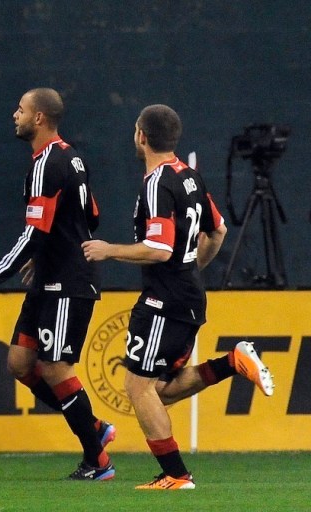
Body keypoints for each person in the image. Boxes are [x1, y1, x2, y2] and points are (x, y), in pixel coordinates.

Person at [82, 104, 275, 490]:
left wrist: (109, 250)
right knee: (160, 392)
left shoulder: (157, 183)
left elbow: (159, 248)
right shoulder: (190, 178)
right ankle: (232, 362)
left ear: (141, 135)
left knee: (138, 388)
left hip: (163, 302)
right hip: (185, 296)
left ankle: (176, 474)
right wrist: (192, 271)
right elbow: (217, 231)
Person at [0, 88, 115, 481]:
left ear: (39, 117)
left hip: (67, 283)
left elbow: (33, 233)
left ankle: (98, 461)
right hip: (50, 277)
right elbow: (91, 214)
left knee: (56, 367)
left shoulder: (47, 164)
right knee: (20, 363)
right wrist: (44, 258)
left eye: (20, 110)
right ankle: (93, 427)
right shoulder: (72, 157)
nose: (14, 115)